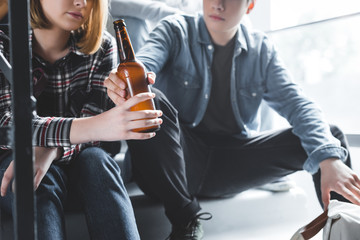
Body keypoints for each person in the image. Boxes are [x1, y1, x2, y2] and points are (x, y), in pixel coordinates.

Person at [105, 0, 360, 239]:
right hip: (176, 162)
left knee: (330, 138)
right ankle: (185, 221)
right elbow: (145, 64)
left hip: (229, 164)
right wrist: (124, 83)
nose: (218, 4)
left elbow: (298, 104)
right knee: (147, 97)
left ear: (249, 5)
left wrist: (329, 158)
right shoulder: (176, 30)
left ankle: (347, 230)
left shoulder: (261, 50)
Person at [0, 0, 163, 239]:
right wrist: (96, 126)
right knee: (30, 170)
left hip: (79, 167)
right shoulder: (4, 46)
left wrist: (51, 150)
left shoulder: (102, 47)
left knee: (98, 161)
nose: (81, 2)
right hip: (13, 171)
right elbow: (6, 125)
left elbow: (95, 140)